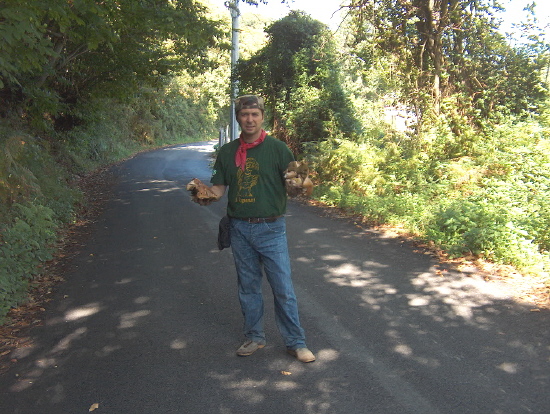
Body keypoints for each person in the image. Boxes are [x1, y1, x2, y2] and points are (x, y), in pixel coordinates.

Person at [192, 94, 315, 363]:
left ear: (262, 117)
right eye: (245, 114)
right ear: (238, 118)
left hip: (271, 228)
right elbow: (219, 189)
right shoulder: (227, 152)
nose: (250, 119)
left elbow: (298, 186)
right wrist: (204, 193)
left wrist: (301, 182)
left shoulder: (278, 149)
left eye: (254, 114)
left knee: (283, 288)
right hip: (239, 229)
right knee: (248, 287)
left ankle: (296, 342)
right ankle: (254, 337)